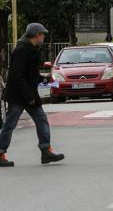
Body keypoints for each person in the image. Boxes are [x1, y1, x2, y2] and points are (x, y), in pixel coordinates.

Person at [0, 23, 65, 167]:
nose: (43, 36)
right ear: (36, 35)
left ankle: (45, 151)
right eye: (42, 34)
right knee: (10, 124)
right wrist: (28, 95)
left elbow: (31, 74)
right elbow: (17, 75)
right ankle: (0, 152)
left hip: (29, 95)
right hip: (18, 96)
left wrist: (44, 79)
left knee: (41, 119)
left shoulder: (32, 49)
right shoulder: (22, 50)